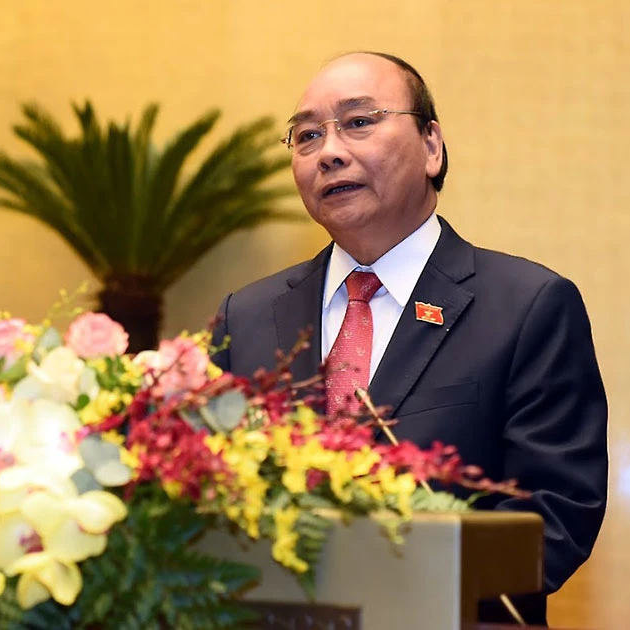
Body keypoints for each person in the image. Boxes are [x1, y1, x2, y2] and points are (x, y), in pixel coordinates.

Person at [211, 51, 607, 625]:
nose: (329, 152)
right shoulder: (245, 317)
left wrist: (387, 584)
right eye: (307, 135)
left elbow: (557, 514)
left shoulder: (527, 306)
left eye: (359, 121)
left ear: (431, 146)